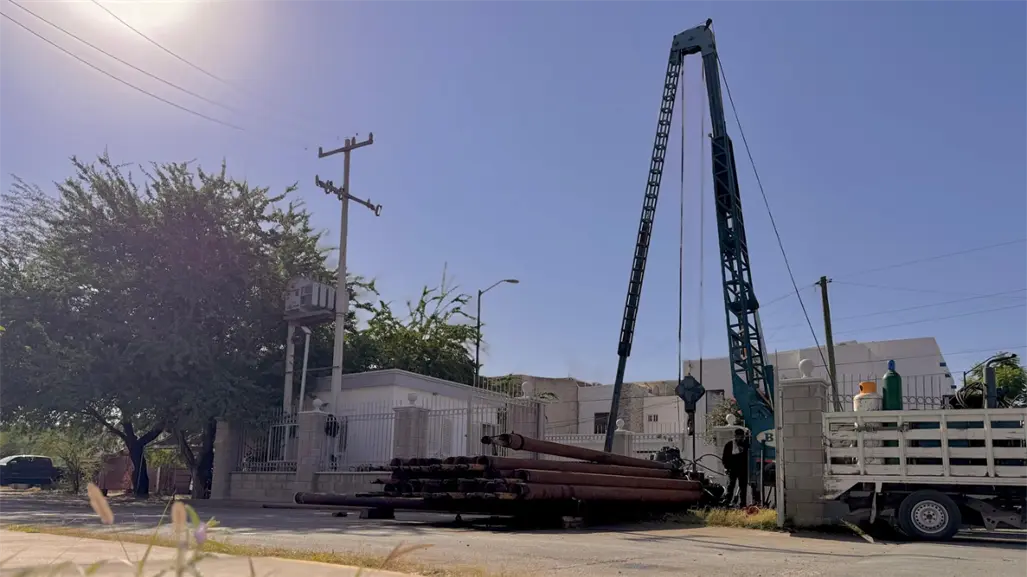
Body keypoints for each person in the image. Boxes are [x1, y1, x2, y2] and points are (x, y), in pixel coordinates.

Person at [722, 427, 750, 508]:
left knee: (743, 488)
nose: (740, 438)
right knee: (730, 486)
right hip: (732, 469)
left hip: (743, 469)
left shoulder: (746, 445)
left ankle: (743, 504)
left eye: (741, 436)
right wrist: (726, 467)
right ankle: (727, 502)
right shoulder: (729, 445)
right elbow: (725, 457)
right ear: (735, 436)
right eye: (738, 436)